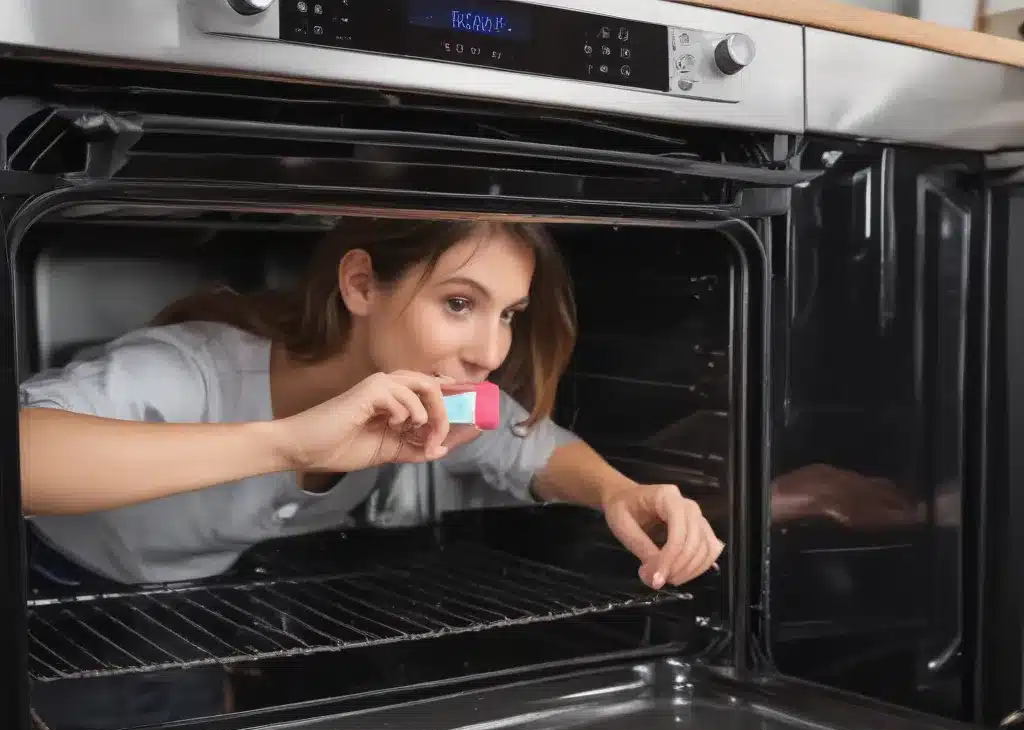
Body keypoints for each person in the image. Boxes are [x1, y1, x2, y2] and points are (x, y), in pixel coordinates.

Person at [19, 217, 723, 589]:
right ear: (360, 285)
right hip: (46, 581)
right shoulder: (189, 369)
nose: (489, 352)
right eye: (459, 303)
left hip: (199, 604)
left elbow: (528, 444)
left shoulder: (433, 393)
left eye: (508, 314)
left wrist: (618, 492)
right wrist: (289, 442)